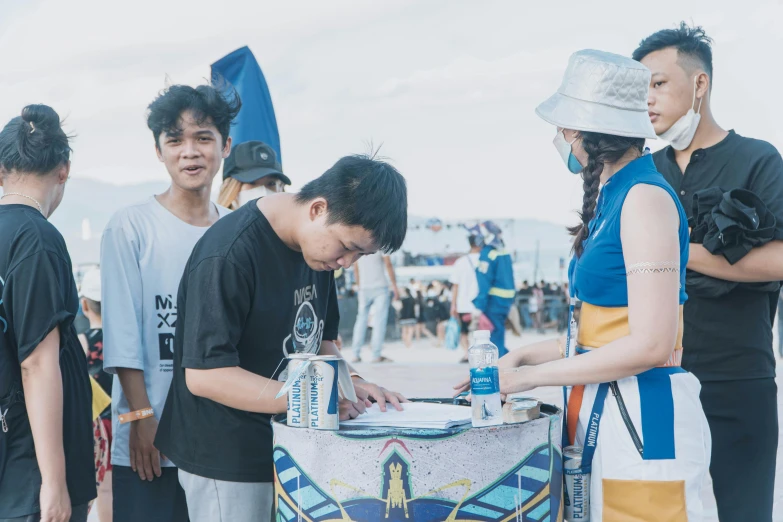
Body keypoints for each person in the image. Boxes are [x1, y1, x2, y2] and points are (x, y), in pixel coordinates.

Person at [456, 50, 712, 520]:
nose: (559, 139)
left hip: (638, 418)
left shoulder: (644, 199)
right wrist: (521, 356)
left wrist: (526, 379)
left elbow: (652, 344)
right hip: (601, 406)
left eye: (564, 129)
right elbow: (600, 333)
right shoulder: (617, 197)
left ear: (586, 134)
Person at [154, 154, 409, 522]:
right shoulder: (229, 254)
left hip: (289, 444)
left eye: (360, 255)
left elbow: (322, 341)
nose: (347, 262)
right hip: (227, 454)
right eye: (348, 246)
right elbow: (205, 375)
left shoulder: (318, 253)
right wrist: (312, 399)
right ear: (318, 208)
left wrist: (353, 382)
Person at [633, 23, 783, 520]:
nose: (648, 99)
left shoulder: (758, 160)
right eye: (642, 89)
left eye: (658, 83)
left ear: (700, 85)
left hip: (738, 378)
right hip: (657, 379)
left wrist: (674, 251)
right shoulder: (644, 170)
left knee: (745, 513)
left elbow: (779, 259)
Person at [102, 83, 238, 522]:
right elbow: (121, 333)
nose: (190, 152)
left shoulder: (238, 232)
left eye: (203, 138)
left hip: (221, 445)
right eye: (174, 140)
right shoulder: (131, 226)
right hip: (150, 441)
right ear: (159, 152)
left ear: (225, 146)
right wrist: (141, 417)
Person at [0, 105, 96, 521]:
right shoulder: (37, 239)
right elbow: (37, 364)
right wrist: (55, 484)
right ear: (64, 170)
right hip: (28, 466)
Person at [76, 267, 113, 522]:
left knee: (102, 488)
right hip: (125, 419)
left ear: (84, 305)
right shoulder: (120, 341)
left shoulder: (81, 341)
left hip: (97, 424)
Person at [351, 252, 400, 363]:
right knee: (379, 321)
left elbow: (356, 268)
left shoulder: (359, 243)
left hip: (364, 288)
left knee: (361, 320)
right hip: (380, 287)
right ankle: (376, 355)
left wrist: (359, 286)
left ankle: (355, 354)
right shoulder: (381, 243)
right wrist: (395, 286)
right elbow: (388, 264)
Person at [216, 140, 290, 210]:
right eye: (252, 182)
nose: (264, 192)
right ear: (229, 187)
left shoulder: (293, 222)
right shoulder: (213, 222)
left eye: (271, 183)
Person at [449, 229, 482, 362]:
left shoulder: (460, 262)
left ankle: (467, 354)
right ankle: (480, 354)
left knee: (464, 331)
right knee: (481, 331)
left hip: (463, 304)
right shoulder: (485, 260)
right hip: (480, 304)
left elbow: (455, 286)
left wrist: (453, 305)